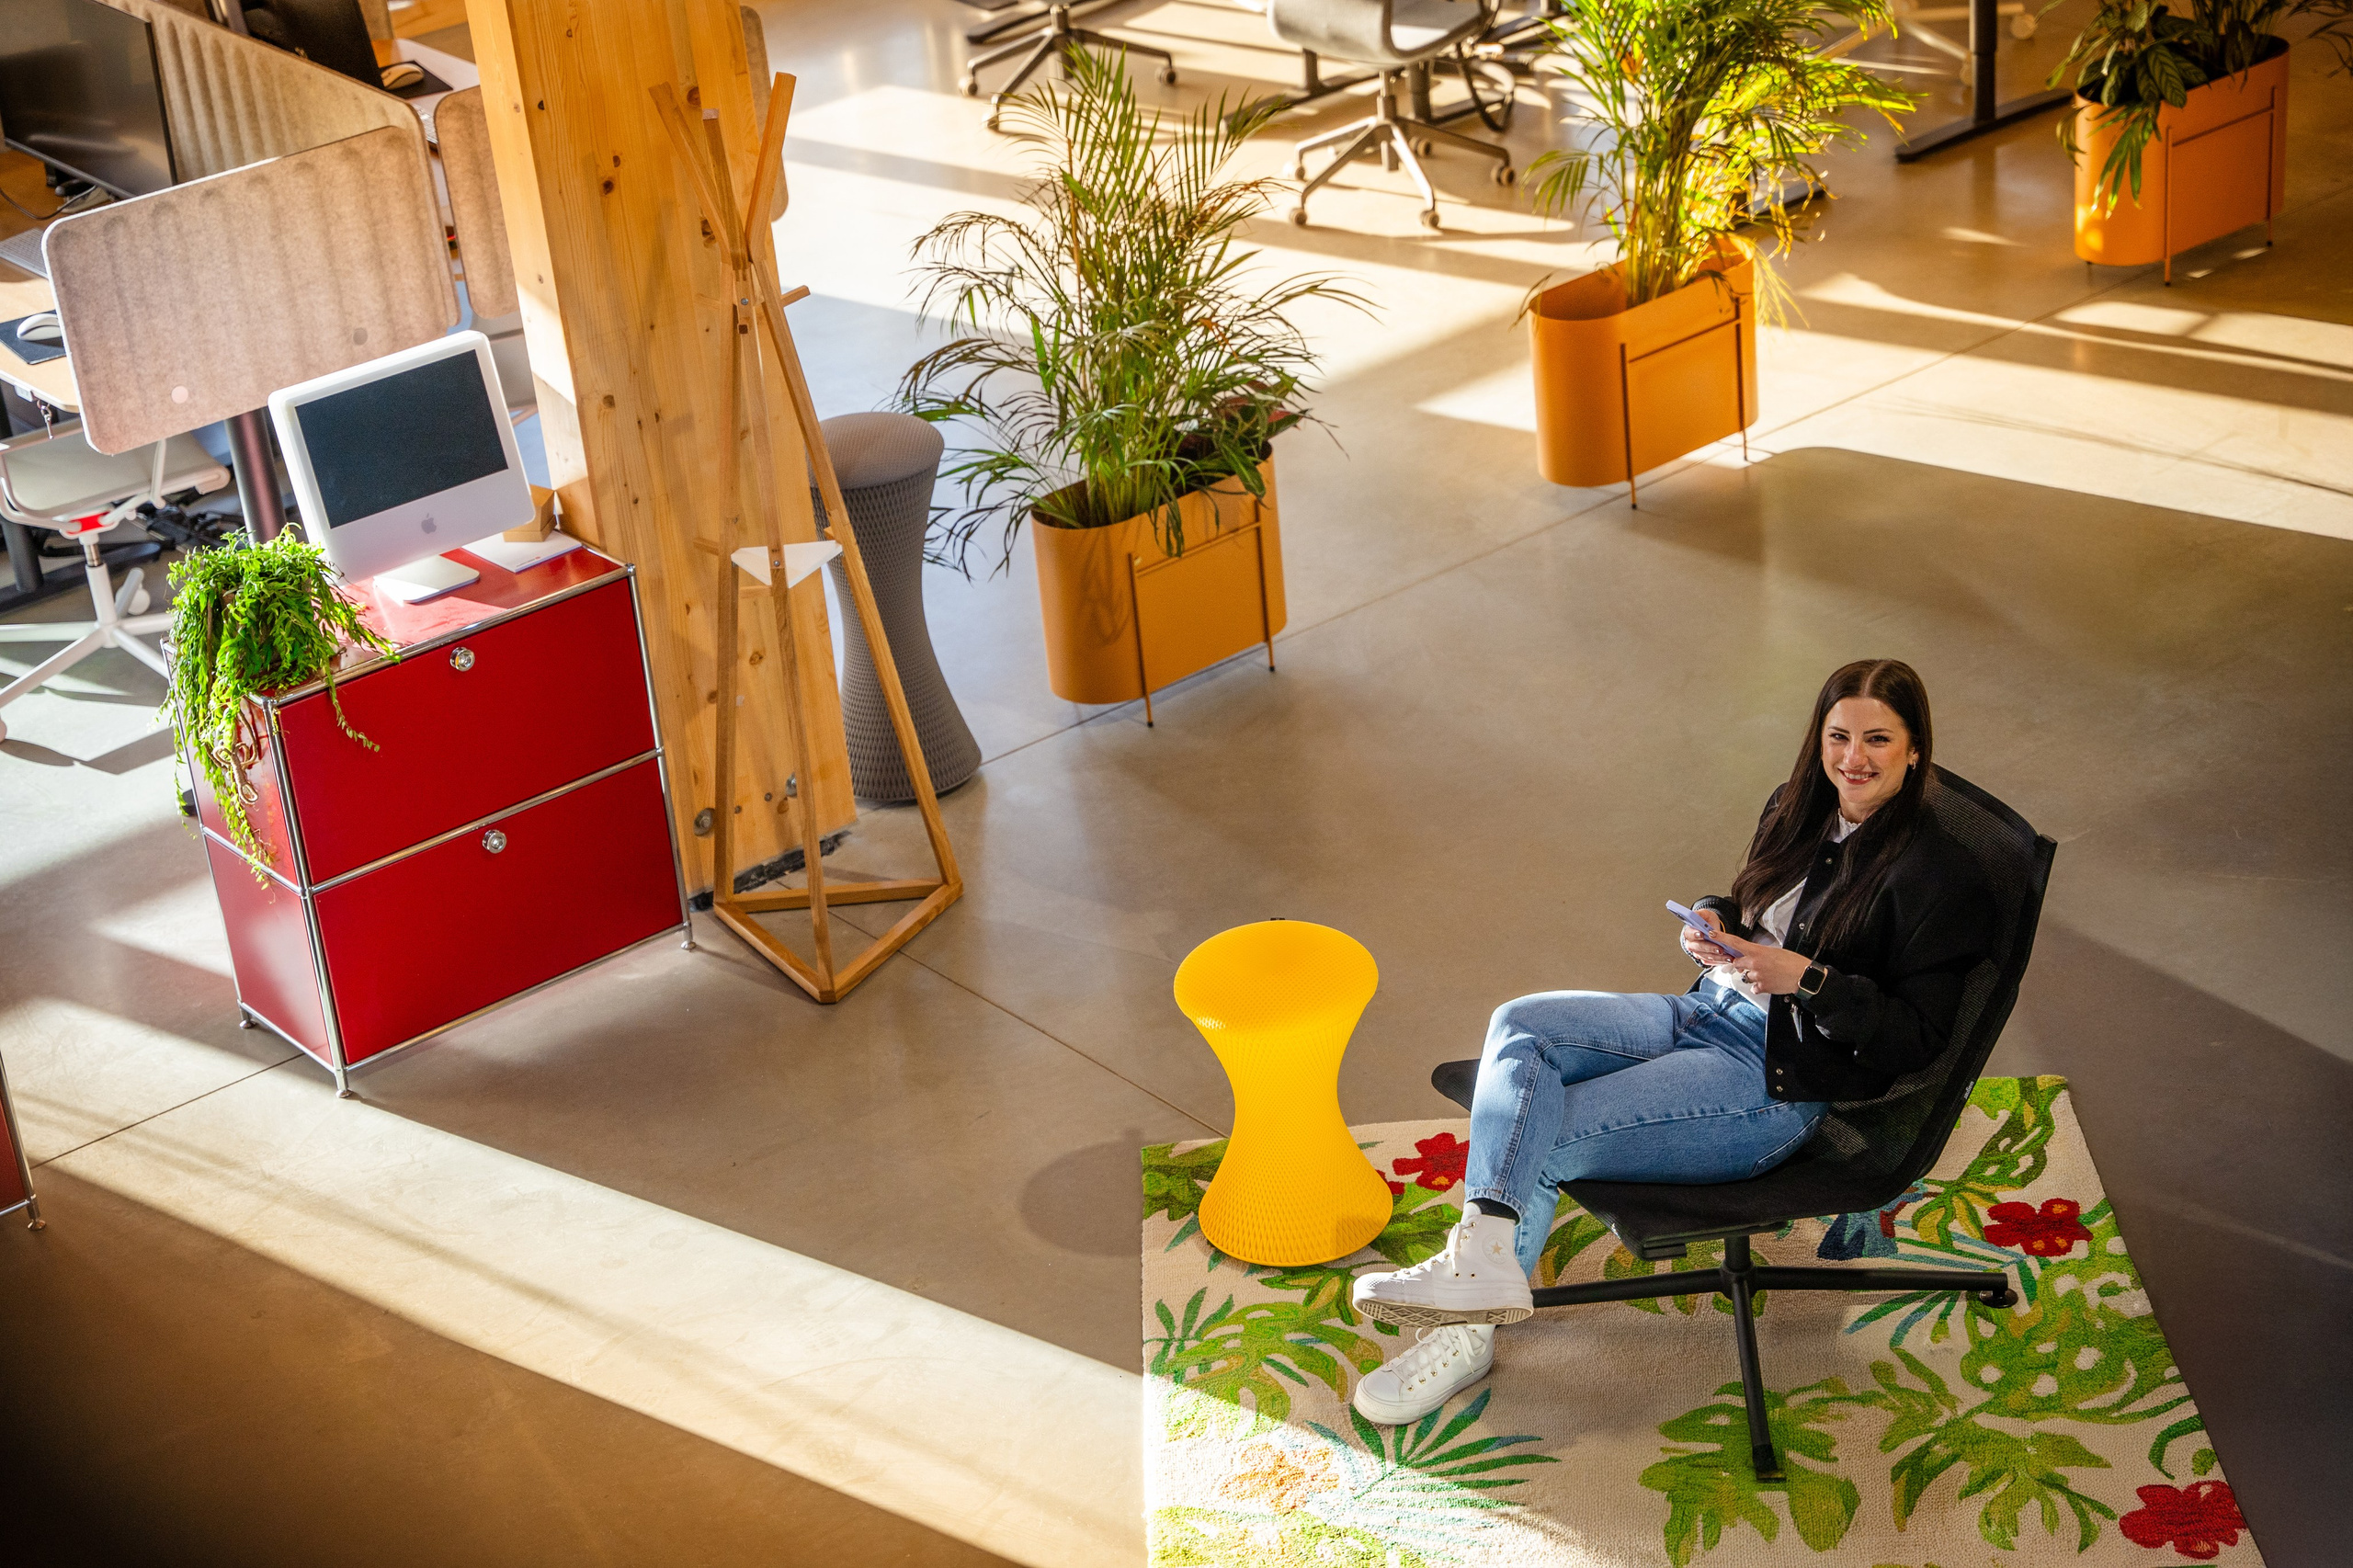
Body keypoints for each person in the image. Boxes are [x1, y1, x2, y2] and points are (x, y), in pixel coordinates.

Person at [1347, 659, 1996, 1426]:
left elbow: (1916, 1040)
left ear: (1916, 749)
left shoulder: (1944, 878)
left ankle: (1468, 1330)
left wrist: (1808, 981)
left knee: (1540, 1128)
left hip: (1773, 1083)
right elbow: (1755, 901)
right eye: (1839, 735)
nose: (1853, 758)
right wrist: (1714, 922)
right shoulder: (1799, 806)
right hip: (1703, 1011)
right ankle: (1484, 1260)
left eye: (1878, 740)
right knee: (1518, 1024)